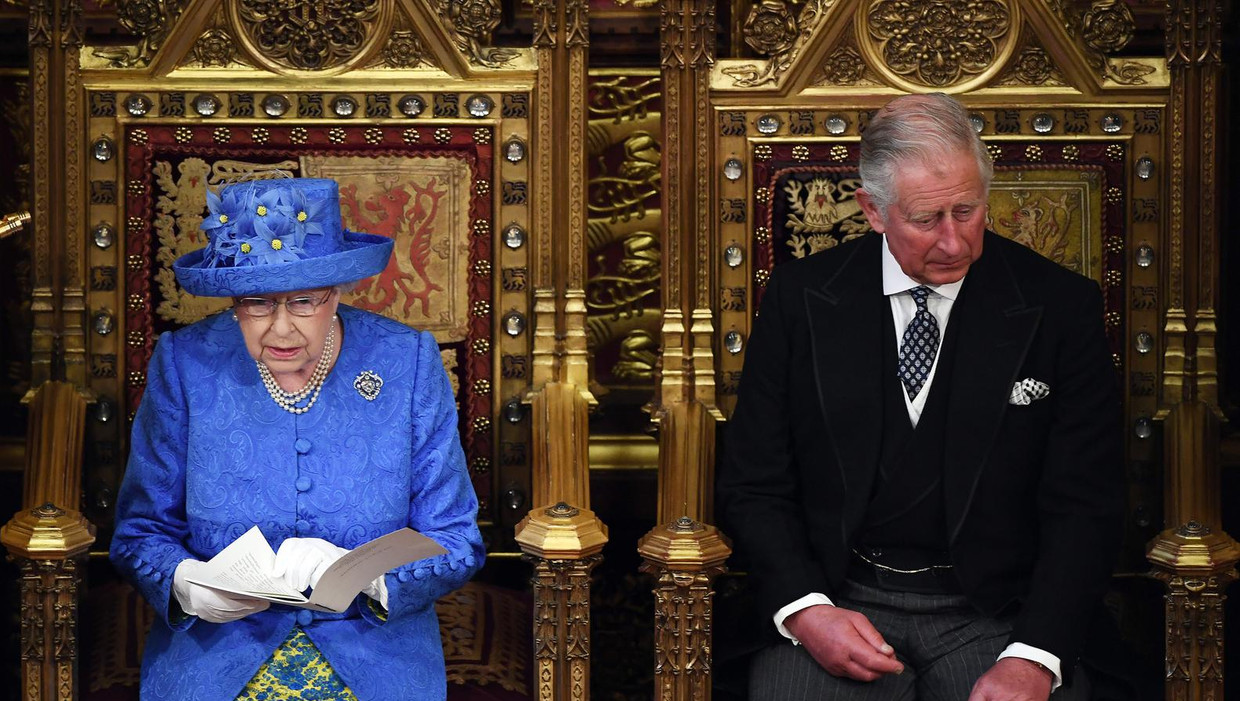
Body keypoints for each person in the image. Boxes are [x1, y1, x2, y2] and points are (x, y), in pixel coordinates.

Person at [716, 93, 1129, 701]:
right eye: (927, 219)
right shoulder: (802, 297)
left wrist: (1034, 657)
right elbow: (753, 482)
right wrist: (806, 611)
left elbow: (1087, 504)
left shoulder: (1060, 306)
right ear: (873, 210)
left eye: (968, 211)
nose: (955, 242)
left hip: (997, 615)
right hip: (839, 599)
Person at [110, 177, 485, 700]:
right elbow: (139, 532)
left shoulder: (407, 362)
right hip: (216, 661)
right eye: (256, 303)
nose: (281, 330)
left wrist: (367, 576)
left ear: (336, 293)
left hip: (374, 659)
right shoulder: (184, 363)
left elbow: (455, 537)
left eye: (304, 301)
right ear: (234, 301)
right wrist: (184, 584)